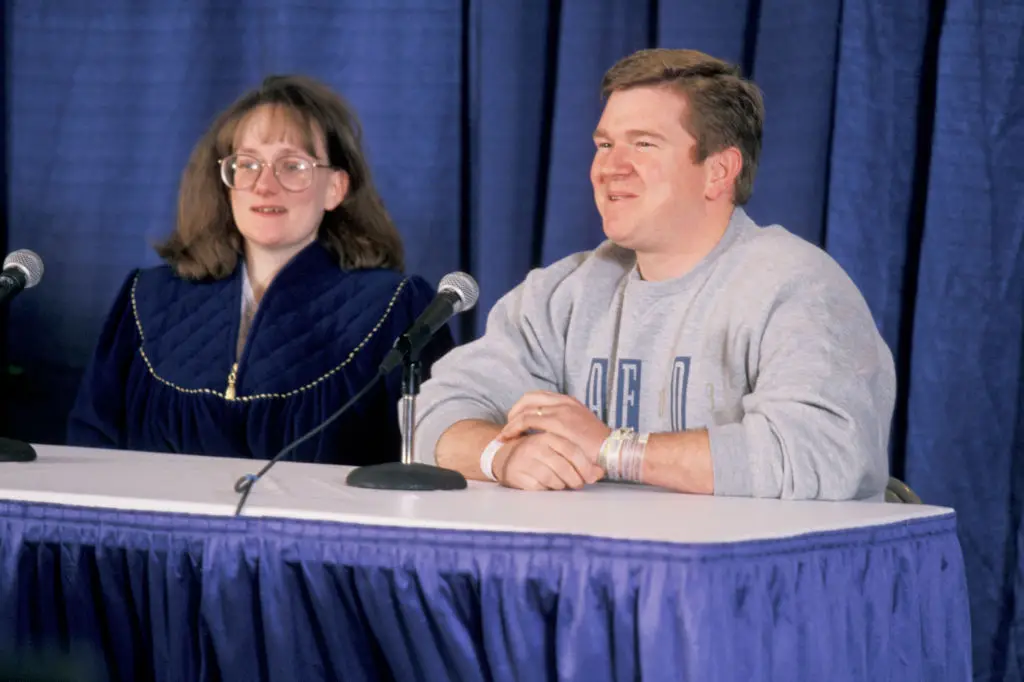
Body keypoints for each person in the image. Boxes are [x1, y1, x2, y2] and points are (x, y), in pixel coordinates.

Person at [410, 49, 896, 500]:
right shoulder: (564, 292)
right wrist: (501, 456)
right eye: (604, 144)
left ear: (719, 171)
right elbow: (432, 414)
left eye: (643, 144)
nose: (609, 168)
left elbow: (821, 454)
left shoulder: (798, 286)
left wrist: (612, 449)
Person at [67, 75, 454, 465]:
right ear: (226, 183)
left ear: (335, 188)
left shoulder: (395, 308)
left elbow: (435, 454)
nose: (264, 185)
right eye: (247, 164)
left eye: (292, 166)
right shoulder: (147, 299)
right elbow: (92, 449)